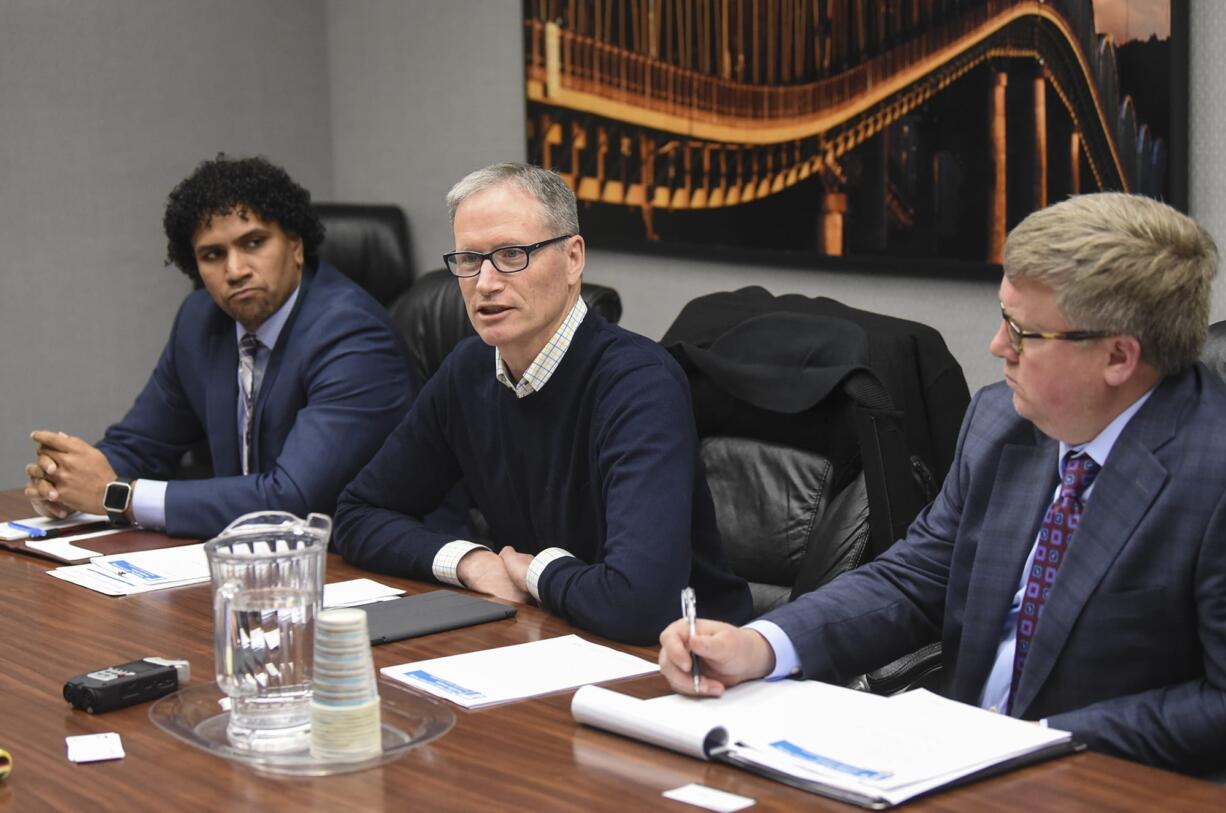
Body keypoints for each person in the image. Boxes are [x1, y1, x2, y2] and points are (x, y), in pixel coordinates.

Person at [659, 192, 1226, 774]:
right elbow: (917, 577)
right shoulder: (1000, 422)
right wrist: (761, 645)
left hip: (1096, 781)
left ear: (1118, 357)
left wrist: (1041, 739)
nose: (997, 347)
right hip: (940, 767)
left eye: (1023, 332)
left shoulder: (1211, 477)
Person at [334, 162, 752, 645]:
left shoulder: (640, 383)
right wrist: (471, 562)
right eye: (470, 259)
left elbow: (641, 604)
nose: (486, 282)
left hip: (692, 660)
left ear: (574, 259)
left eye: (512, 254)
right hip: (553, 634)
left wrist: (536, 572)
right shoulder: (469, 370)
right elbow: (358, 514)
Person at [23, 155, 415, 539]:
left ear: (295, 245)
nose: (235, 270)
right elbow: (142, 444)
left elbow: (293, 499)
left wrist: (118, 497)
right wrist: (66, 481)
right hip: (250, 560)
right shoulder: (201, 321)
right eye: (213, 255)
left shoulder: (353, 334)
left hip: (373, 568)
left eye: (254, 242)